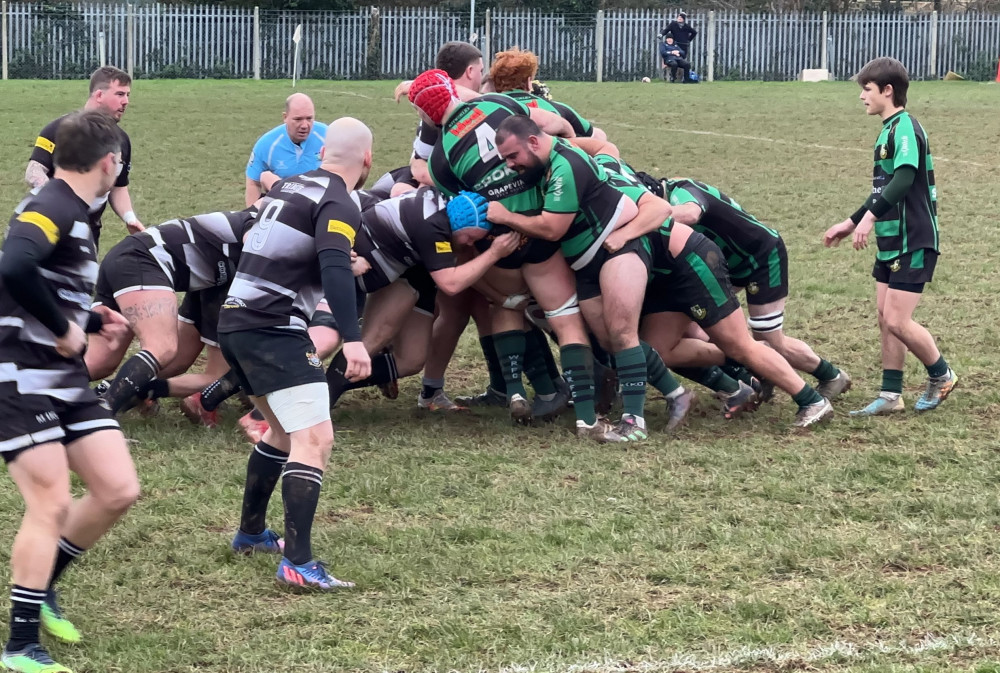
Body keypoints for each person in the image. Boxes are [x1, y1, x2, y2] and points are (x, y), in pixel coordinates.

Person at [0, 110, 139, 673]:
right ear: (110, 163)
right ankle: (20, 646)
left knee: (116, 488)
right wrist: (64, 329)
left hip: (64, 380)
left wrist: (88, 313)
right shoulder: (54, 203)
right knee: (51, 503)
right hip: (20, 378)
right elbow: (13, 266)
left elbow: (40, 277)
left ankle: (44, 585)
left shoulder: (73, 211)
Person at [218, 117, 373, 590]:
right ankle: (299, 564)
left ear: (324, 152)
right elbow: (333, 267)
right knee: (316, 439)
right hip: (271, 327)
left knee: (284, 433)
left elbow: (252, 238)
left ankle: (250, 533)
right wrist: (352, 337)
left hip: (234, 320)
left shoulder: (291, 185)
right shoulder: (339, 200)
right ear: (367, 160)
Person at [487, 115, 694, 441]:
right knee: (610, 339)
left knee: (622, 331)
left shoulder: (564, 166)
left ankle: (634, 424)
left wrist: (506, 217)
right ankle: (676, 392)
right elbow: (603, 145)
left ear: (534, 142)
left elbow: (552, 227)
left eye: (514, 157)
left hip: (617, 248)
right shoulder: (548, 159)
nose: (511, 166)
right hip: (586, 260)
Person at [824, 56, 956, 416]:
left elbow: (904, 178)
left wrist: (868, 219)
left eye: (867, 90)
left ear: (887, 90)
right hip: (891, 239)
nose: (862, 97)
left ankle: (941, 374)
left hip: (914, 237)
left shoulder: (905, 128)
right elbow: (882, 188)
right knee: (886, 318)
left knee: (898, 320)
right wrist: (851, 222)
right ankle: (890, 395)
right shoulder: (886, 131)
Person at [665, 178, 852, 400]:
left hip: (761, 257)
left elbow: (690, 214)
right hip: (725, 265)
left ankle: (831, 376)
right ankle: (759, 376)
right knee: (704, 325)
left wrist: (648, 217)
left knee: (769, 341)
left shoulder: (680, 190)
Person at [85, 206, 259, 416]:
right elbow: (260, 247)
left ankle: (41, 392)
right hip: (141, 261)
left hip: (128, 258)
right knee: (162, 348)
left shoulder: (266, 225)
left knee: (100, 363)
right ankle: (99, 416)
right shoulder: (263, 226)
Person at [25, 66, 143, 244]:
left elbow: (118, 186)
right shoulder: (59, 129)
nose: (126, 101)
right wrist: (58, 206)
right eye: (120, 94)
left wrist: (130, 218)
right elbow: (34, 170)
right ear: (99, 95)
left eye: (128, 95)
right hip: (51, 227)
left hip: (89, 233)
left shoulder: (122, 140)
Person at [244, 93, 327, 207]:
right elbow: (253, 183)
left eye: (309, 118)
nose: (304, 125)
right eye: (298, 119)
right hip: (282, 209)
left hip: (320, 207)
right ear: (285, 117)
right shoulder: (267, 144)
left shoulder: (328, 137)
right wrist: (251, 218)